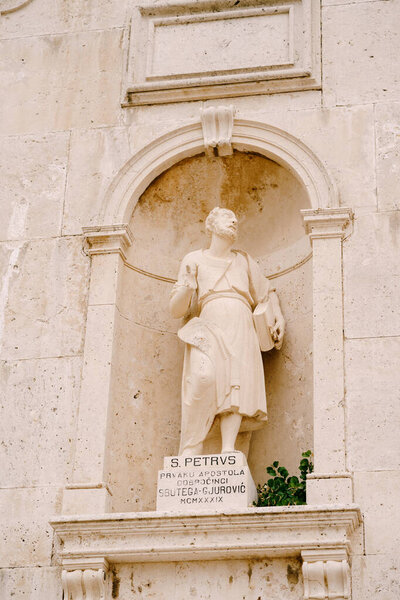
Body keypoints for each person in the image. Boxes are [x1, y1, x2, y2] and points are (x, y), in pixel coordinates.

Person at [169, 207, 285, 456]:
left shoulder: (243, 260)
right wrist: (187, 288)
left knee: (235, 384)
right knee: (202, 379)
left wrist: (279, 317)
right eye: (227, 216)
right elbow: (176, 310)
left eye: (236, 218)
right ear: (210, 224)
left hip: (241, 322)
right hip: (209, 323)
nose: (234, 220)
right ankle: (192, 446)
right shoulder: (194, 259)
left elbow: (265, 292)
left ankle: (228, 448)